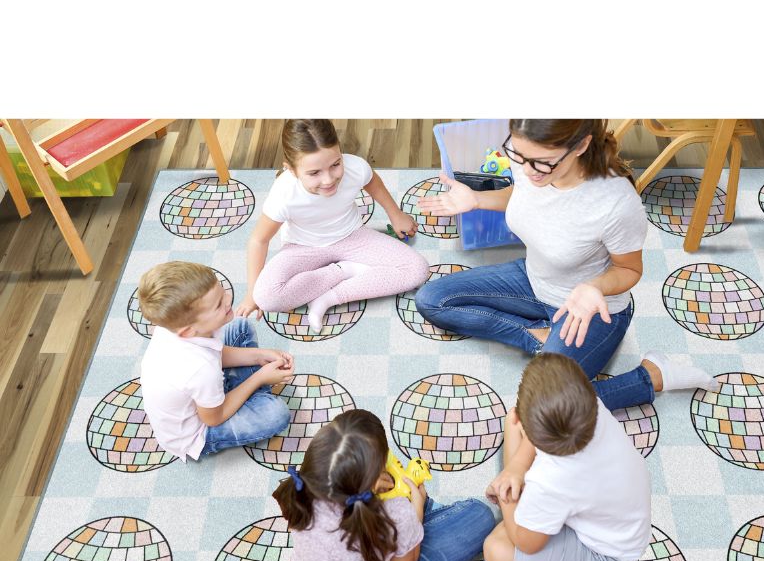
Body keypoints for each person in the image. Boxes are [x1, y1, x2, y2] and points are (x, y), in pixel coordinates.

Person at [414, 119, 718, 411]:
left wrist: (594, 287)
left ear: (581, 145)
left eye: (543, 162)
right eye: (520, 156)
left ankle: (651, 376)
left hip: (591, 310)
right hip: (533, 279)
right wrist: (478, 200)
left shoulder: (615, 203)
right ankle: (538, 336)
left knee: (543, 404)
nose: (528, 170)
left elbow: (630, 270)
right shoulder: (529, 161)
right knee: (432, 300)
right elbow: (523, 193)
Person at [273, 409, 496, 561]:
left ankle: (423, 519)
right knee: (480, 514)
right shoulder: (397, 511)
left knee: (410, 525)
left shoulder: (302, 493)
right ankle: (425, 513)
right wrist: (415, 511)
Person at [235, 119, 430, 333]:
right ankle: (342, 270)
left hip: (353, 236)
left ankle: (328, 297)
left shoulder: (355, 167)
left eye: (335, 165)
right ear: (291, 170)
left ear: (340, 154)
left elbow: (372, 182)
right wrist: (251, 292)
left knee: (417, 269)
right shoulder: (284, 194)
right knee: (267, 298)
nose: (328, 180)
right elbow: (258, 240)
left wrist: (396, 214)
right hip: (302, 247)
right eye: (314, 173)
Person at [481, 353, 651, 561]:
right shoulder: (591, 406)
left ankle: (513, 494)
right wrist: (517, 467)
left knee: (496, 551)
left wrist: (505, 495)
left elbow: (527, 544)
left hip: (608, 551)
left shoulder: (551, 481)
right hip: (614, 516)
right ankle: (522, 496)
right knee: (514, 418)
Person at [138, 260, 292, 461]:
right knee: (276, 414)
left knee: (240, 327)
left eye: (222, 291)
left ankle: (243, 393)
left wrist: (258, 355)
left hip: (203, 387)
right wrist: (260, 378)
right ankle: (252, 392)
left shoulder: (174, 330)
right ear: (188, 331)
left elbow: (214, 352)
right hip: (200, 431)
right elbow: (213, 418)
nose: (228, 300)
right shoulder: (200, 368)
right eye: (219, 304)